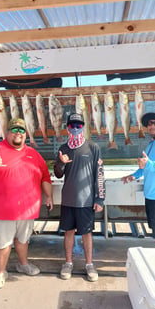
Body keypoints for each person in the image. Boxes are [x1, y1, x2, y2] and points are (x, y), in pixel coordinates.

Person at [0, 118, 53, 289]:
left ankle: (23, 265)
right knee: (3, 243)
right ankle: (1, 272)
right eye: (14, 129)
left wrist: (49, 196)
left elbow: (45, 176)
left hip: (27, 209)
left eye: (22, 130)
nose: (18, 133)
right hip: (1, 210)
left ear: (26, 134)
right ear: (7, 132)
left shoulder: (33, 153)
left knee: (23, 240)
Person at [54, 113, 105, 282]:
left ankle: (89, 264)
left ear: (83, 127)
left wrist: (99, 199)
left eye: (78, 126)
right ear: (67, 128)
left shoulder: (93, 147)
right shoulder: (63, 148)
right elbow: (57, 174)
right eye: (72, 126)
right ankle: (68, 263)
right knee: (68, 232)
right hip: (68, 200)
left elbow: (99, 174)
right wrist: (61, 163)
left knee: (87, 233)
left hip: (87, 200)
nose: (75, 129)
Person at [122, 111, 155, 247]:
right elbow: (145, 167)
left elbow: (150, 165)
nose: (153, 126)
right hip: (151, 197)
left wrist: (149, 164)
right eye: (150, 124)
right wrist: (134, 175)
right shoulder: (151, 145)